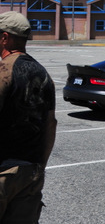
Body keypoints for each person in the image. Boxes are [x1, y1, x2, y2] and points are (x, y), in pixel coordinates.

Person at [0, 12, 57, 222]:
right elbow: (51, 124)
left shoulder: (4, 71)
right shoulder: (43, 74)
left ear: (5, 38)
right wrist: (40, 166)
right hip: (31, 172)